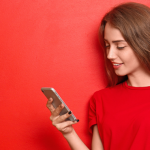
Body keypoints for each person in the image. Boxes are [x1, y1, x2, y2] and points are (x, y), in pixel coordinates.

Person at [46, 2, 150, 150]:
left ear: (144, 43)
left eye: (120, 46)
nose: (110, 55)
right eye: (107, 45)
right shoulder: (101, 100)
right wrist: (68, 133)